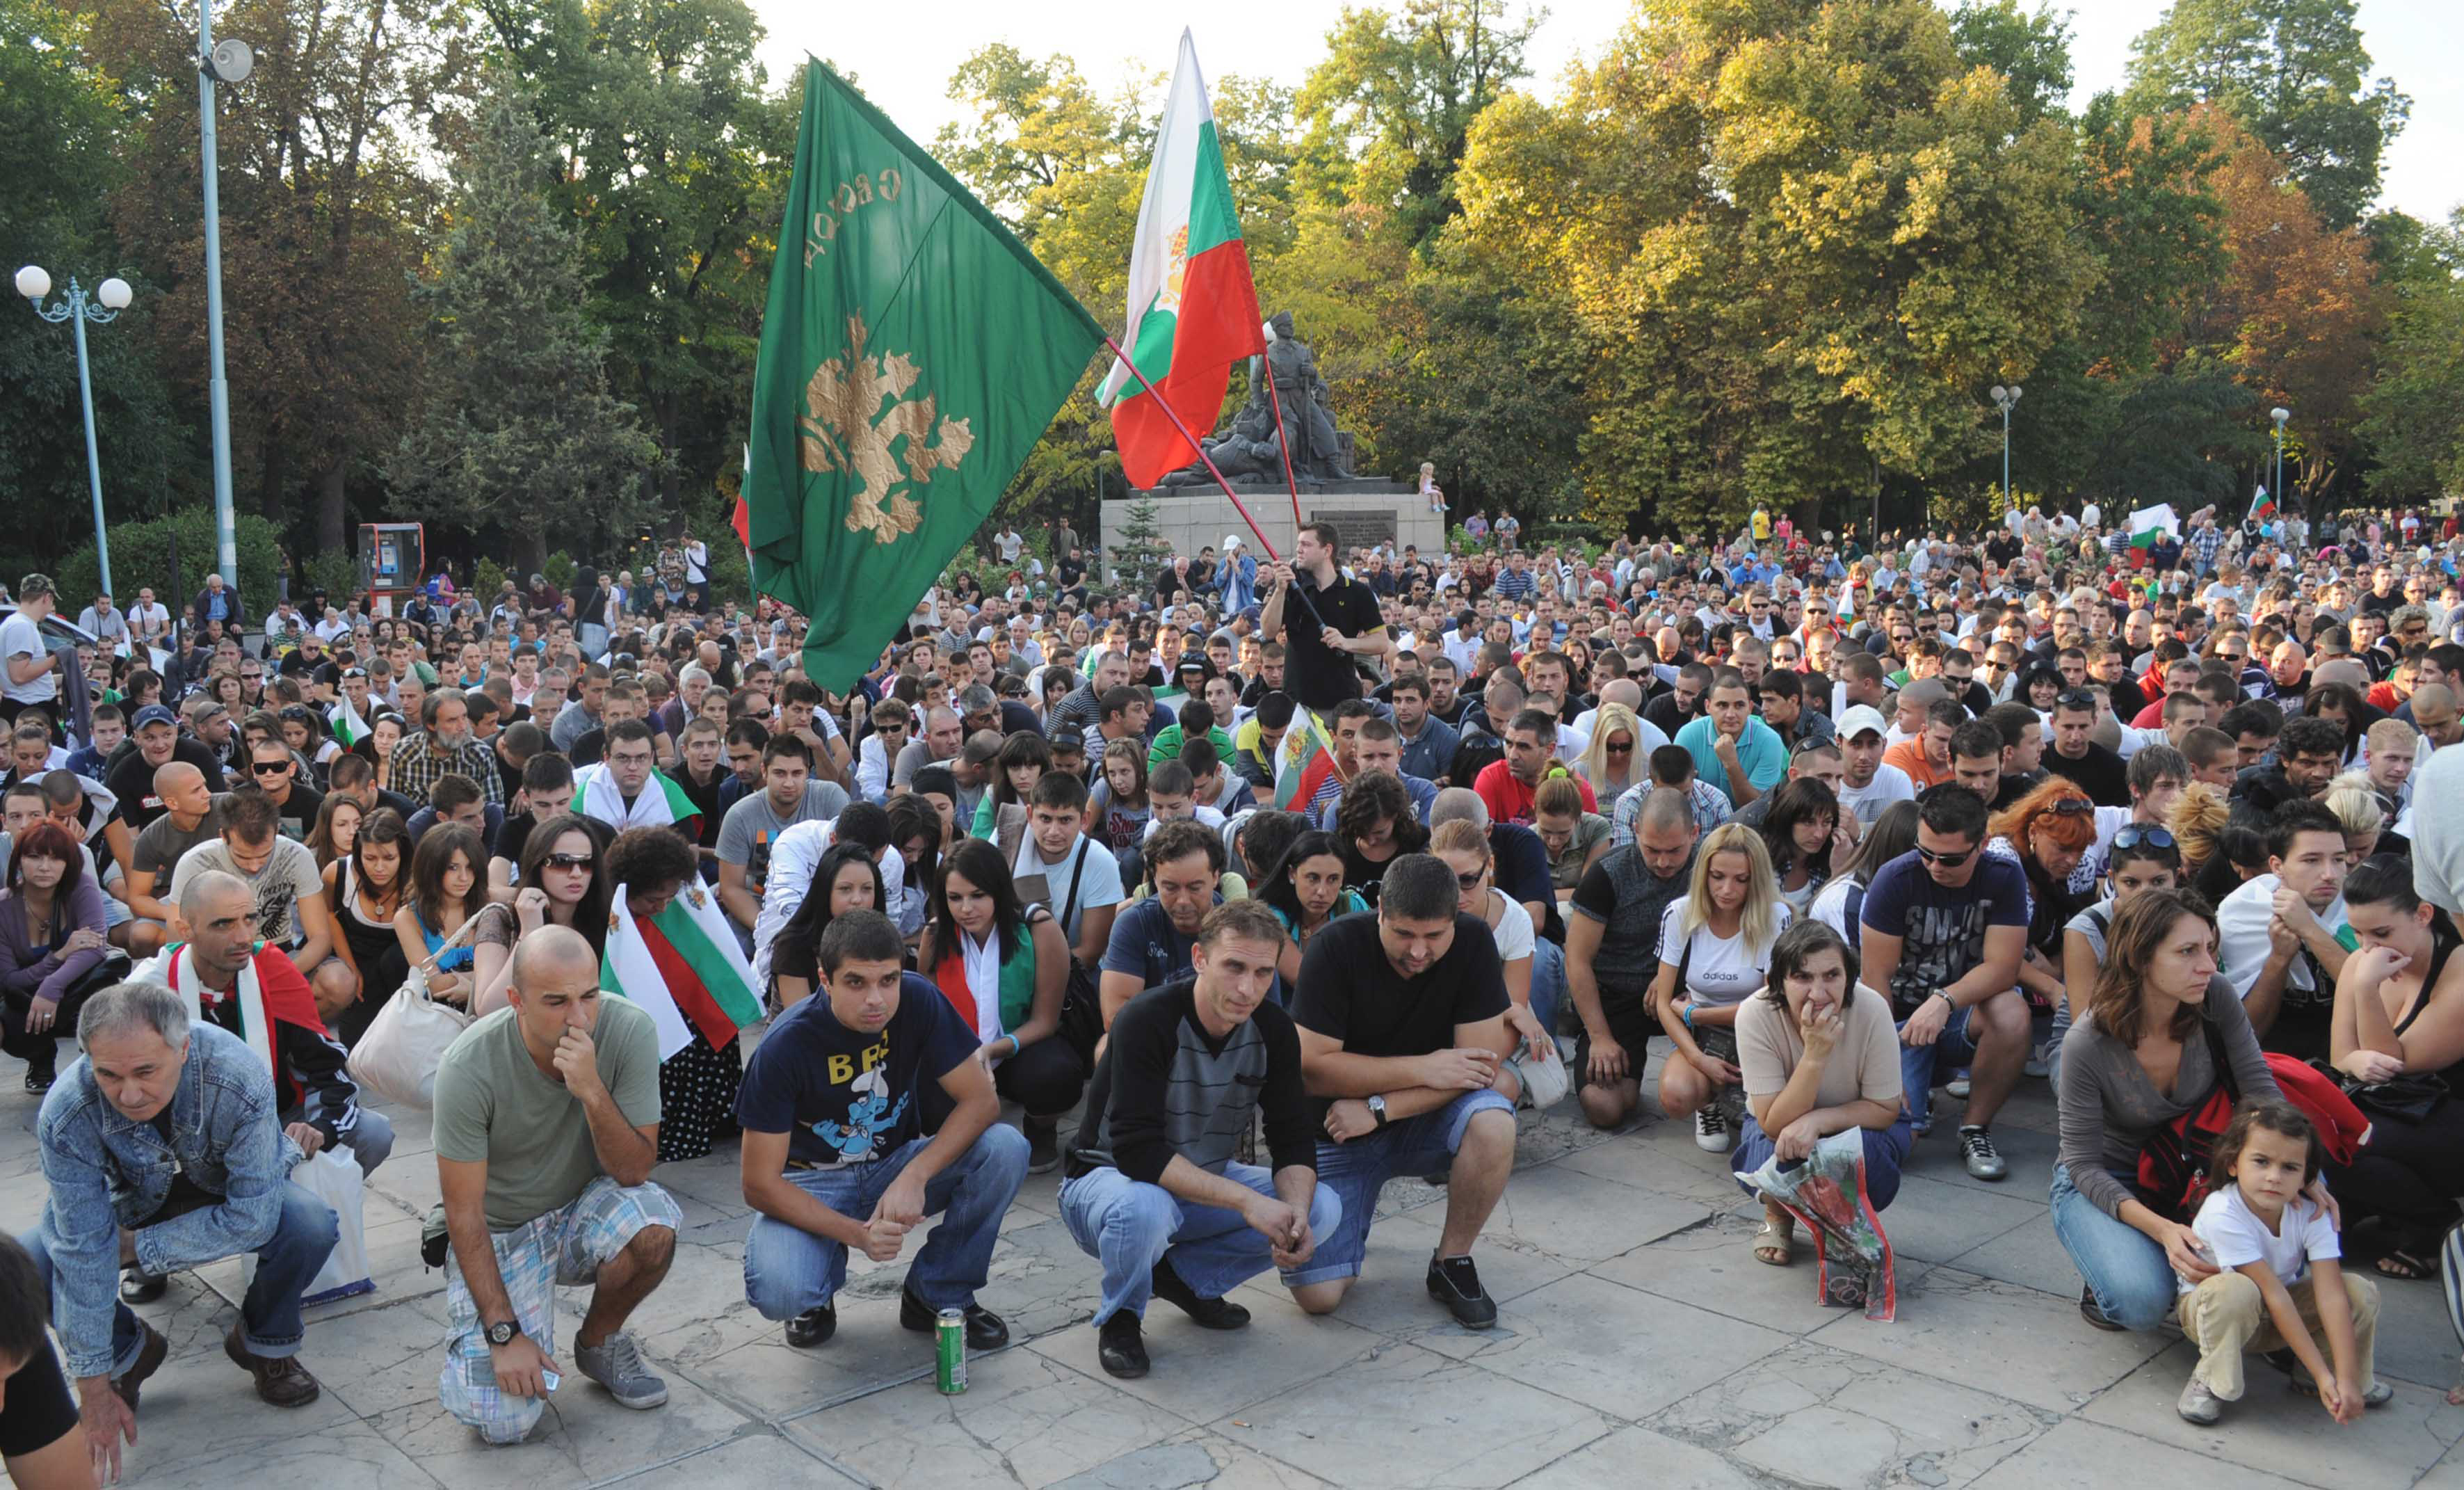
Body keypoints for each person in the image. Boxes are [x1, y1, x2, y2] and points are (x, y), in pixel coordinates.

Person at [26, 980, 341, 1450]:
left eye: (146, 1071)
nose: (128, 1094)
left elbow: (252, 1218)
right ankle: (127, 1356)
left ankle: (263, 1342)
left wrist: (141, 1250)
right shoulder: (65, 1113)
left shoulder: (237, 1073)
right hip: (128, 1204)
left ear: (184, 1048)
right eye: (108, 1074)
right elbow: (82, 1245)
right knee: (33, 1263)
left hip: (220, 1190)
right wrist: (91, 1385)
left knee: (309, 1225)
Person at [1060, 899, 1337, 1378]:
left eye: (1263, 973)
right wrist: (1247, 1203)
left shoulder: (1273, 1030)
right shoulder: (1147, 1019)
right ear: (1199, 959)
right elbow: (1136, 1150)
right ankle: (1122, 1317)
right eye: (1233, 967)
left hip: (1200, 1176)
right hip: (1107, 1181)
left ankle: (1182, 1280)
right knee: (1146, 1207)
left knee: (1320, 1207)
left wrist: (1292, 1210)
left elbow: (1292, 1135)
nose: (1247, 988)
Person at [735, 910, 1026, 1354]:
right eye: (856, 982)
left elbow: (981, 1101)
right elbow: (758, 1185)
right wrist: (856, 1234)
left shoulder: (919, 1000)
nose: (877, 999)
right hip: (810, 1179)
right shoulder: (785, 1045)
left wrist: (916, 1175)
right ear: (825, 979)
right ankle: (816, 1290)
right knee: (782, 1291)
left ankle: (938, 1291)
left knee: (1006, 1148)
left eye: (888, 980)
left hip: (893, 1161)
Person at [431, 924, 678, 1445]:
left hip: (582, 1210)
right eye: (556, 1001)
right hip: (503, 1229)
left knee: (653, 1226)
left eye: (589, 995)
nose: (580, 1017)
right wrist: (504, 1332)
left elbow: (634, 1171)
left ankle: (599, 1341)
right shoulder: (468, 1065)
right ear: (516, 1001)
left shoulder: (628, 1029)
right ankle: (490, 1328)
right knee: (503, 1424)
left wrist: (590, 1090)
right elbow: (464, 1214)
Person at [1285, 854, 1548, 1327]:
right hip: (1335, 1129)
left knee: (1492, 1118)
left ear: (1455, 920)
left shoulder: (1471, 942)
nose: (1419, 952)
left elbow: (1479, 1068)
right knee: (1318, 1296)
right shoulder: (1334, 946)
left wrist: (1382, 1107)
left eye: (1433, 936)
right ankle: (1348, 1223)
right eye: (1404, 934)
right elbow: (1313, 1071)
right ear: (1380, 909)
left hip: (1403, 1116)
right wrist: (1426, 1067)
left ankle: (1452, 1260)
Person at [2054, 889, 2296, 1333]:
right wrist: (2164, 1230)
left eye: (2209, 948)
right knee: (2141, 1304)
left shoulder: (2214, 996)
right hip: (2110, 1180)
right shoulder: (2087, 1042)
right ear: (2141, 958)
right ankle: (2119, 1266)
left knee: (2304, 1185)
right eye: (2187, 951)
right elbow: (2083, 1166)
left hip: (2197, 1168)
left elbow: (2262, 1094)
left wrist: (2306, 1173)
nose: (2207, 965)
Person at [2173, 1100, 2385, 1425]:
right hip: (2214, 1313)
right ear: (2233, 1164)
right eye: (2261, 1162)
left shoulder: (2314, 1213)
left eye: (2289, 1167)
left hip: (2272, 1313)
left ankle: (2326, 1384)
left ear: (2306, 1178)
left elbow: (2331, 1296)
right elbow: (2273, 1293)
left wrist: (2342, 1376)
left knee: (2357, 1290)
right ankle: (2212, 1380)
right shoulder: (2222, 1211)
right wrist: (2326, 1375)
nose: (2274, 1177)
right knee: (2236, 1289)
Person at [1858, 785, 2027, 1178]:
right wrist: (1881, 1062)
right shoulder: (1895, 878)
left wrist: (1943, 1001)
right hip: (1899, 1025)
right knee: (1897, 1146)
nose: (1934, 866)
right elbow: (1875, 981)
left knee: (2011, 1009)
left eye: (1950, 860)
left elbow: (2004, 968)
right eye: (1925, 852)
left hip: (1958, 1014)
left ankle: (1975, 1127)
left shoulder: (2002, 876)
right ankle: (1918, 1101)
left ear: (1982, 844)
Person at [1733, 920, 1910, 1265]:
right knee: (1769, 1152)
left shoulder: (1872, 1009)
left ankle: (1842, 1223)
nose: (1819, 993)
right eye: (1802, 978)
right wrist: (1814, 1055)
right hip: (1780, 1125)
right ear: (1778, 984)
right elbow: (1771, 1122)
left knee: (1868, 1157)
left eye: (1832, 976)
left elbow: (1885, 1109)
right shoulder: (1755, 1014)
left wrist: (1818, 1120)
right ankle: (1778, 1214)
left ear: (1849, 978)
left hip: (1859, 1121)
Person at [2323, 856, 2464, 1281]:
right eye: (2358, 933)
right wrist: (2353, 1060)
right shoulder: (2361, 961)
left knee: (2346, 1141)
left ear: (2423, 916)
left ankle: (2433, 1221)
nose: (2368, 948)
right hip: (2394, 1113)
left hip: (2447, 1116)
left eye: (2382, 933)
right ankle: (2378, 1206)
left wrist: (2367, 989)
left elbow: (2395, 1065)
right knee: (2308, 1132)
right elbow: (2340, 1055)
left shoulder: (2458, 971)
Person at [919, 839, 1083, 1171]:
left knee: (1057, 1076)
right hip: (960, 1052)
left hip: (1021, 1044)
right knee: (923, 1095)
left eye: (978, 896)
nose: (966, 908)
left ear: (998, 891)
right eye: (955, 898)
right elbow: (929, 1015)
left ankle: (1041, 1128)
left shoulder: (1037, 928)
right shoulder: (937, 935)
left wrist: (990, 1051)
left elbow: (1045, 1021)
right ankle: (974, 1138)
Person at [607, 826, 744, 1164]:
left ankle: (716, 1119)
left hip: (688, 996)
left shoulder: (678, 905)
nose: (664, 907)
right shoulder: (613, 914)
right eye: (654, 900)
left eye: (670, 898)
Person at [1652, 823, 1790, 1153]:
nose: (1727, 889)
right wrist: (1699, 1059)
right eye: (1718, 877)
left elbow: (1770, 1004)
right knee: (1676, 1095)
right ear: (1704, 873)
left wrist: (1693, 1013)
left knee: (1770, 1122)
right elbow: (1662, 1002)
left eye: (1741, 880)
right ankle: (1707, 1105)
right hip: (1701, 1033)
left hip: (1758, 1032)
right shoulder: (1680, 913)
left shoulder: (1776, 916)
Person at [1567, 787, 1697, 1130]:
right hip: (1618, 997)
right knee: (1607, 1106)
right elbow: (1577, 959)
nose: (1664, 862)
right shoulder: (1607, 874)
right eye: (1653, 850)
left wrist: (1670, 974)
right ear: (1636, 830)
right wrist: (1599, 1037)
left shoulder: (1709, 869)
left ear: (1694, 834)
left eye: (1675, 850)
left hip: (1686, 992)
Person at [2214, 799, 2351, 1060]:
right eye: (2312, 860)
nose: (2330, 874)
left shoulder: (2362, 906)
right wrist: (2278, 959)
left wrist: (2310, 929)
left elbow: (2379, 998)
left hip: (2354, 1061)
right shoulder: (2245, 910)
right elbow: (2246, 1033)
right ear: (2277, 866)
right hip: (2276, 1068)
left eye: (2338, 859)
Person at [0, 822, 119, 1092]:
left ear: (69, 863)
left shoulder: (81, 888)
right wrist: (59, 956)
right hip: (24, 999)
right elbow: (9, 979)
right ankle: (40, 1059)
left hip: (75, 988)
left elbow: (95, 949)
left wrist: (51, 987)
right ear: (19, 860)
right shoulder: (4, 906)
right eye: (35, 856)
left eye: (56, 858)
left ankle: (99, 1068)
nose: (45, 866)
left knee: (108, 995)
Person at [1263, 522, 1390, 712]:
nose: (1298, 550)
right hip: (1297, 703)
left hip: (1340, 702)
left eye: (1306, 545)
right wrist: (1280, 590)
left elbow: (1382, 643)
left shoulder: (1356, 592)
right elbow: (1268, 630)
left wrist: (1347, 642)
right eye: (1299, 544)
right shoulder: (1291, 587)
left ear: (1327, 550)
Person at [768, 842, 885, 1010]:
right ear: (825, 892)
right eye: (845, 889)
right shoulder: (793, 946)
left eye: (866, 889)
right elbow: (801, 1020)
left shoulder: (885, 941)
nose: (857, 899)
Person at [392, 822, 488, 1013]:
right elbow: (433, 984)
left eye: (470, 867)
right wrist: (485, 980)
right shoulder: (407, 918)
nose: (464, 877)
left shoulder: (490, 904)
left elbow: (515, 973)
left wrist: (473, 988)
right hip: (438, 1017)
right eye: (453, 868)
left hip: (488, 1011)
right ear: (431, 867)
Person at [1257, 828, 1366, 987]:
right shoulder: (1270, 916)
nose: (1322, 891)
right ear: (1292, 874)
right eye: (1313, 878)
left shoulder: (1352, 906)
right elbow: (1303, 979)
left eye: (1333, 879)